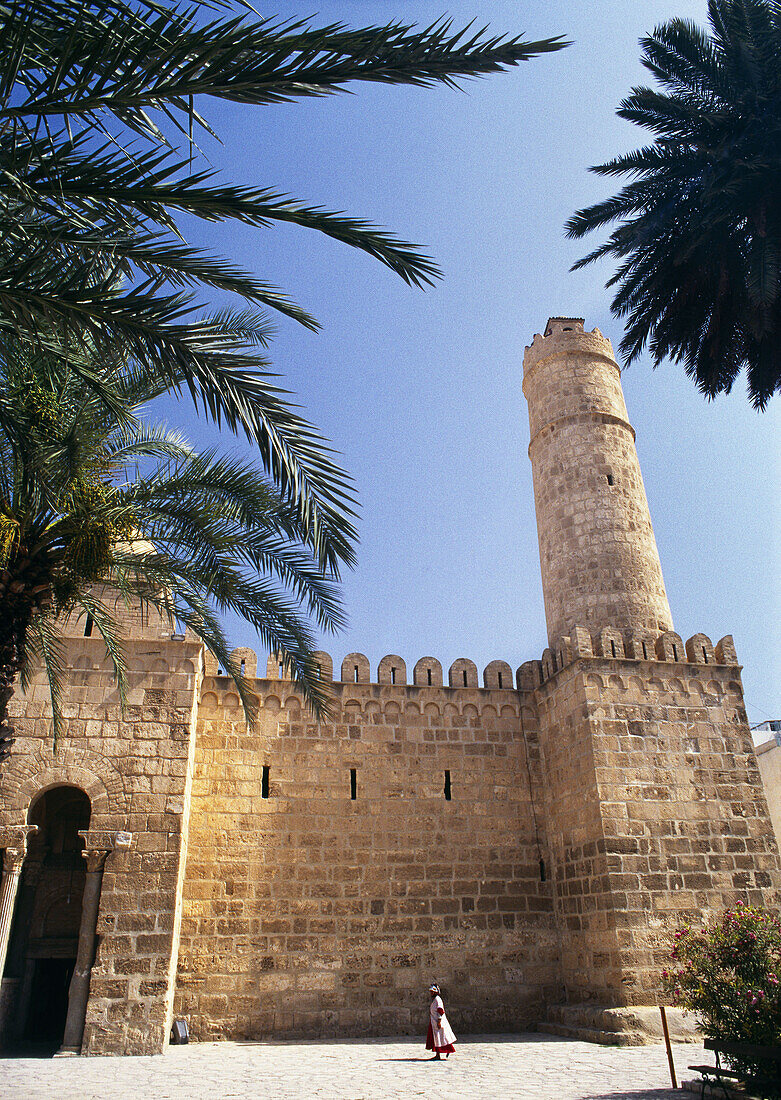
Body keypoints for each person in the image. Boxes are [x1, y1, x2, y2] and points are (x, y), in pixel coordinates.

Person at [425, 983, 457, 1060]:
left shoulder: (438, 1000)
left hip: (438, 1021)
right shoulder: (435, 1000)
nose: (431, 993)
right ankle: (437, 1055)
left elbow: (440, 1011)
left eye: (433, 991)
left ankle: (441, 1053)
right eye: (431, 992)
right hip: (434, 1021)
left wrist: (439, 1021)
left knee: (440, 1037)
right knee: (437, 1038)